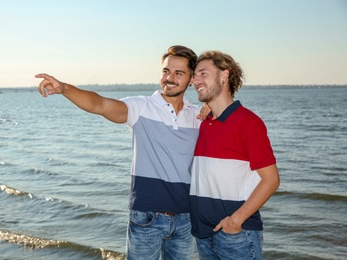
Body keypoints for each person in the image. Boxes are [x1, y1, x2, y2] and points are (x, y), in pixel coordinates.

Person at [36, 45, 202, 260]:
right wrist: (65, 88)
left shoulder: (198, 116)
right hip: (147, 217)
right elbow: (100, 104)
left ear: (191, 79)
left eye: (178, 73)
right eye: (165, 71)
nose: (169, 78)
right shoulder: (141, 107)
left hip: (186, 218)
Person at [190, 50, 280, 260]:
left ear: (224, 76)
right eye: (195, 75)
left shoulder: (248, 123)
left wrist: (236, 220)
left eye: (203, 73)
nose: (195, 80)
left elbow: (272, 179)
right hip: (204, 234)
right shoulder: (203, 122)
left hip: (236, 234)